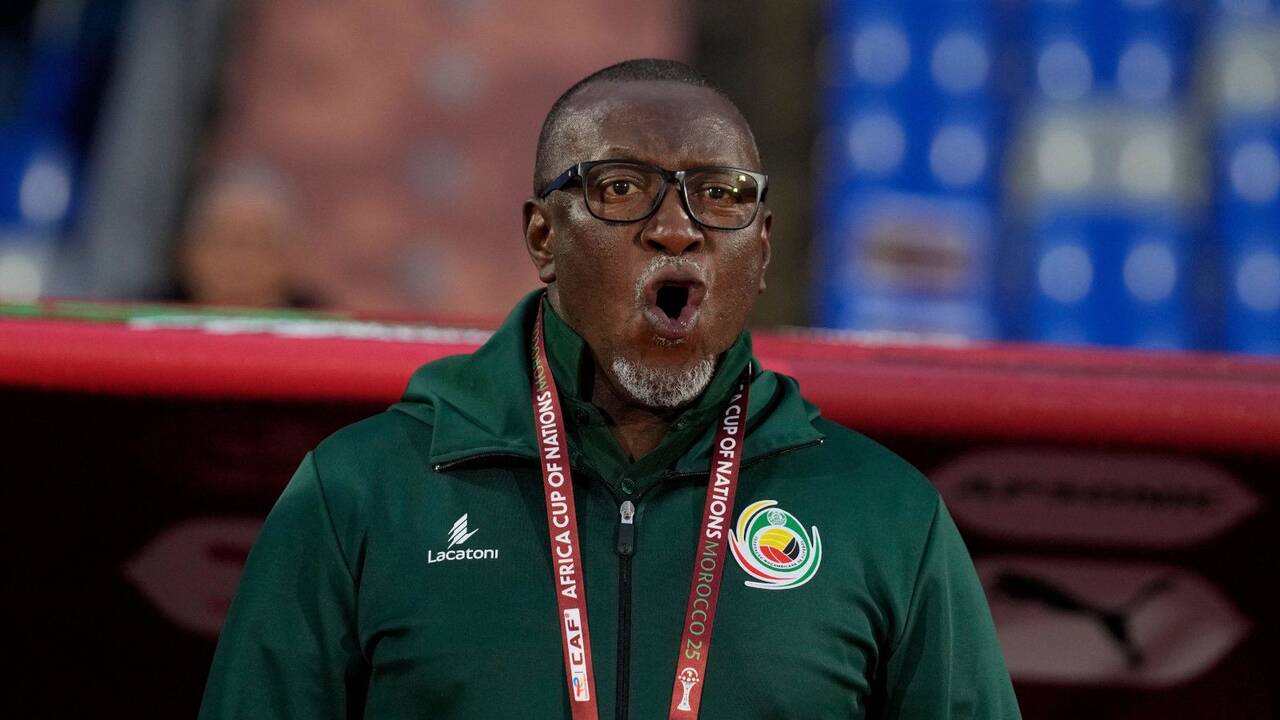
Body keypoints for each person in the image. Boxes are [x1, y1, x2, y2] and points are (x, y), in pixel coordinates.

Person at [198, 59, 1020, 719]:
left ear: (763, 251)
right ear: (543, 238)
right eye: (622, 188)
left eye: (720, 195)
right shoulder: (359, 494)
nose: (677, 227)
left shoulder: (886, 519)